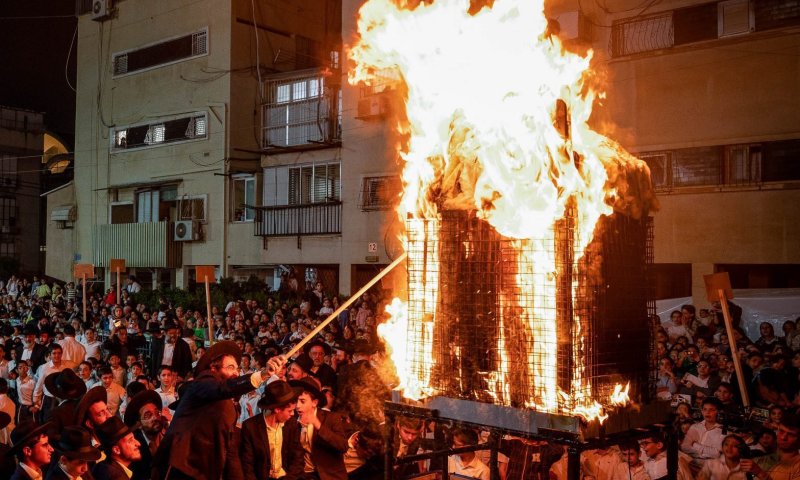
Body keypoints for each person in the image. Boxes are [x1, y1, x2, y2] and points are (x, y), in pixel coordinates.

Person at [152, 340, 284, 480]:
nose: (236, 373)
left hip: (206, 470)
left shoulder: (227, 402)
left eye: (237, 368)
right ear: (213, 369)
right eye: (230, 367)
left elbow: (228, 445)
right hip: (181, 465)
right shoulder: (204, 381)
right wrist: (263, 374)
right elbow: (223, 388)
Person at [240, 380, 304, 480]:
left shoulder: (291, 424)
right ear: (277, 409)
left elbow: (297, 458)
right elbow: (247, 465)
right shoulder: (250, 427)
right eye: (290, 411)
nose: (292, 414)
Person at [289, 375, 349, 480]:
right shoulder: (291, 420)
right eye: (295, 401)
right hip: (304, 475)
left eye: (302, 401)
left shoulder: (331, 418)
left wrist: (318, 424)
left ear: (314, 402)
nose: (297, 406)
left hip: (330, 476)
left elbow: (343, 446)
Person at [742, 411, 800, 480]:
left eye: (791, 434)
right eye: (781, 431)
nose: (783, 437)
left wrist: (760, 473)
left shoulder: (797, 466)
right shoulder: (764, 458)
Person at [124, 390, 167, 480]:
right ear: (139, 424)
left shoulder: (169, 439)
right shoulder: (134, 448)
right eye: (148, 415)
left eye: (157, 413)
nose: (155, 417)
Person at [681, 397, 725, 470]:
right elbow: (684, 447)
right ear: (701, 411)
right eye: (705, 409)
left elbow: (716, 454)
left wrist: (695, 445)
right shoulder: (695, 427)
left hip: (710, 467)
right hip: (691, 463)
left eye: (711, 410)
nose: (707, 412)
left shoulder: (723, 431)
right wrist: (705, 452)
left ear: (719, 412)